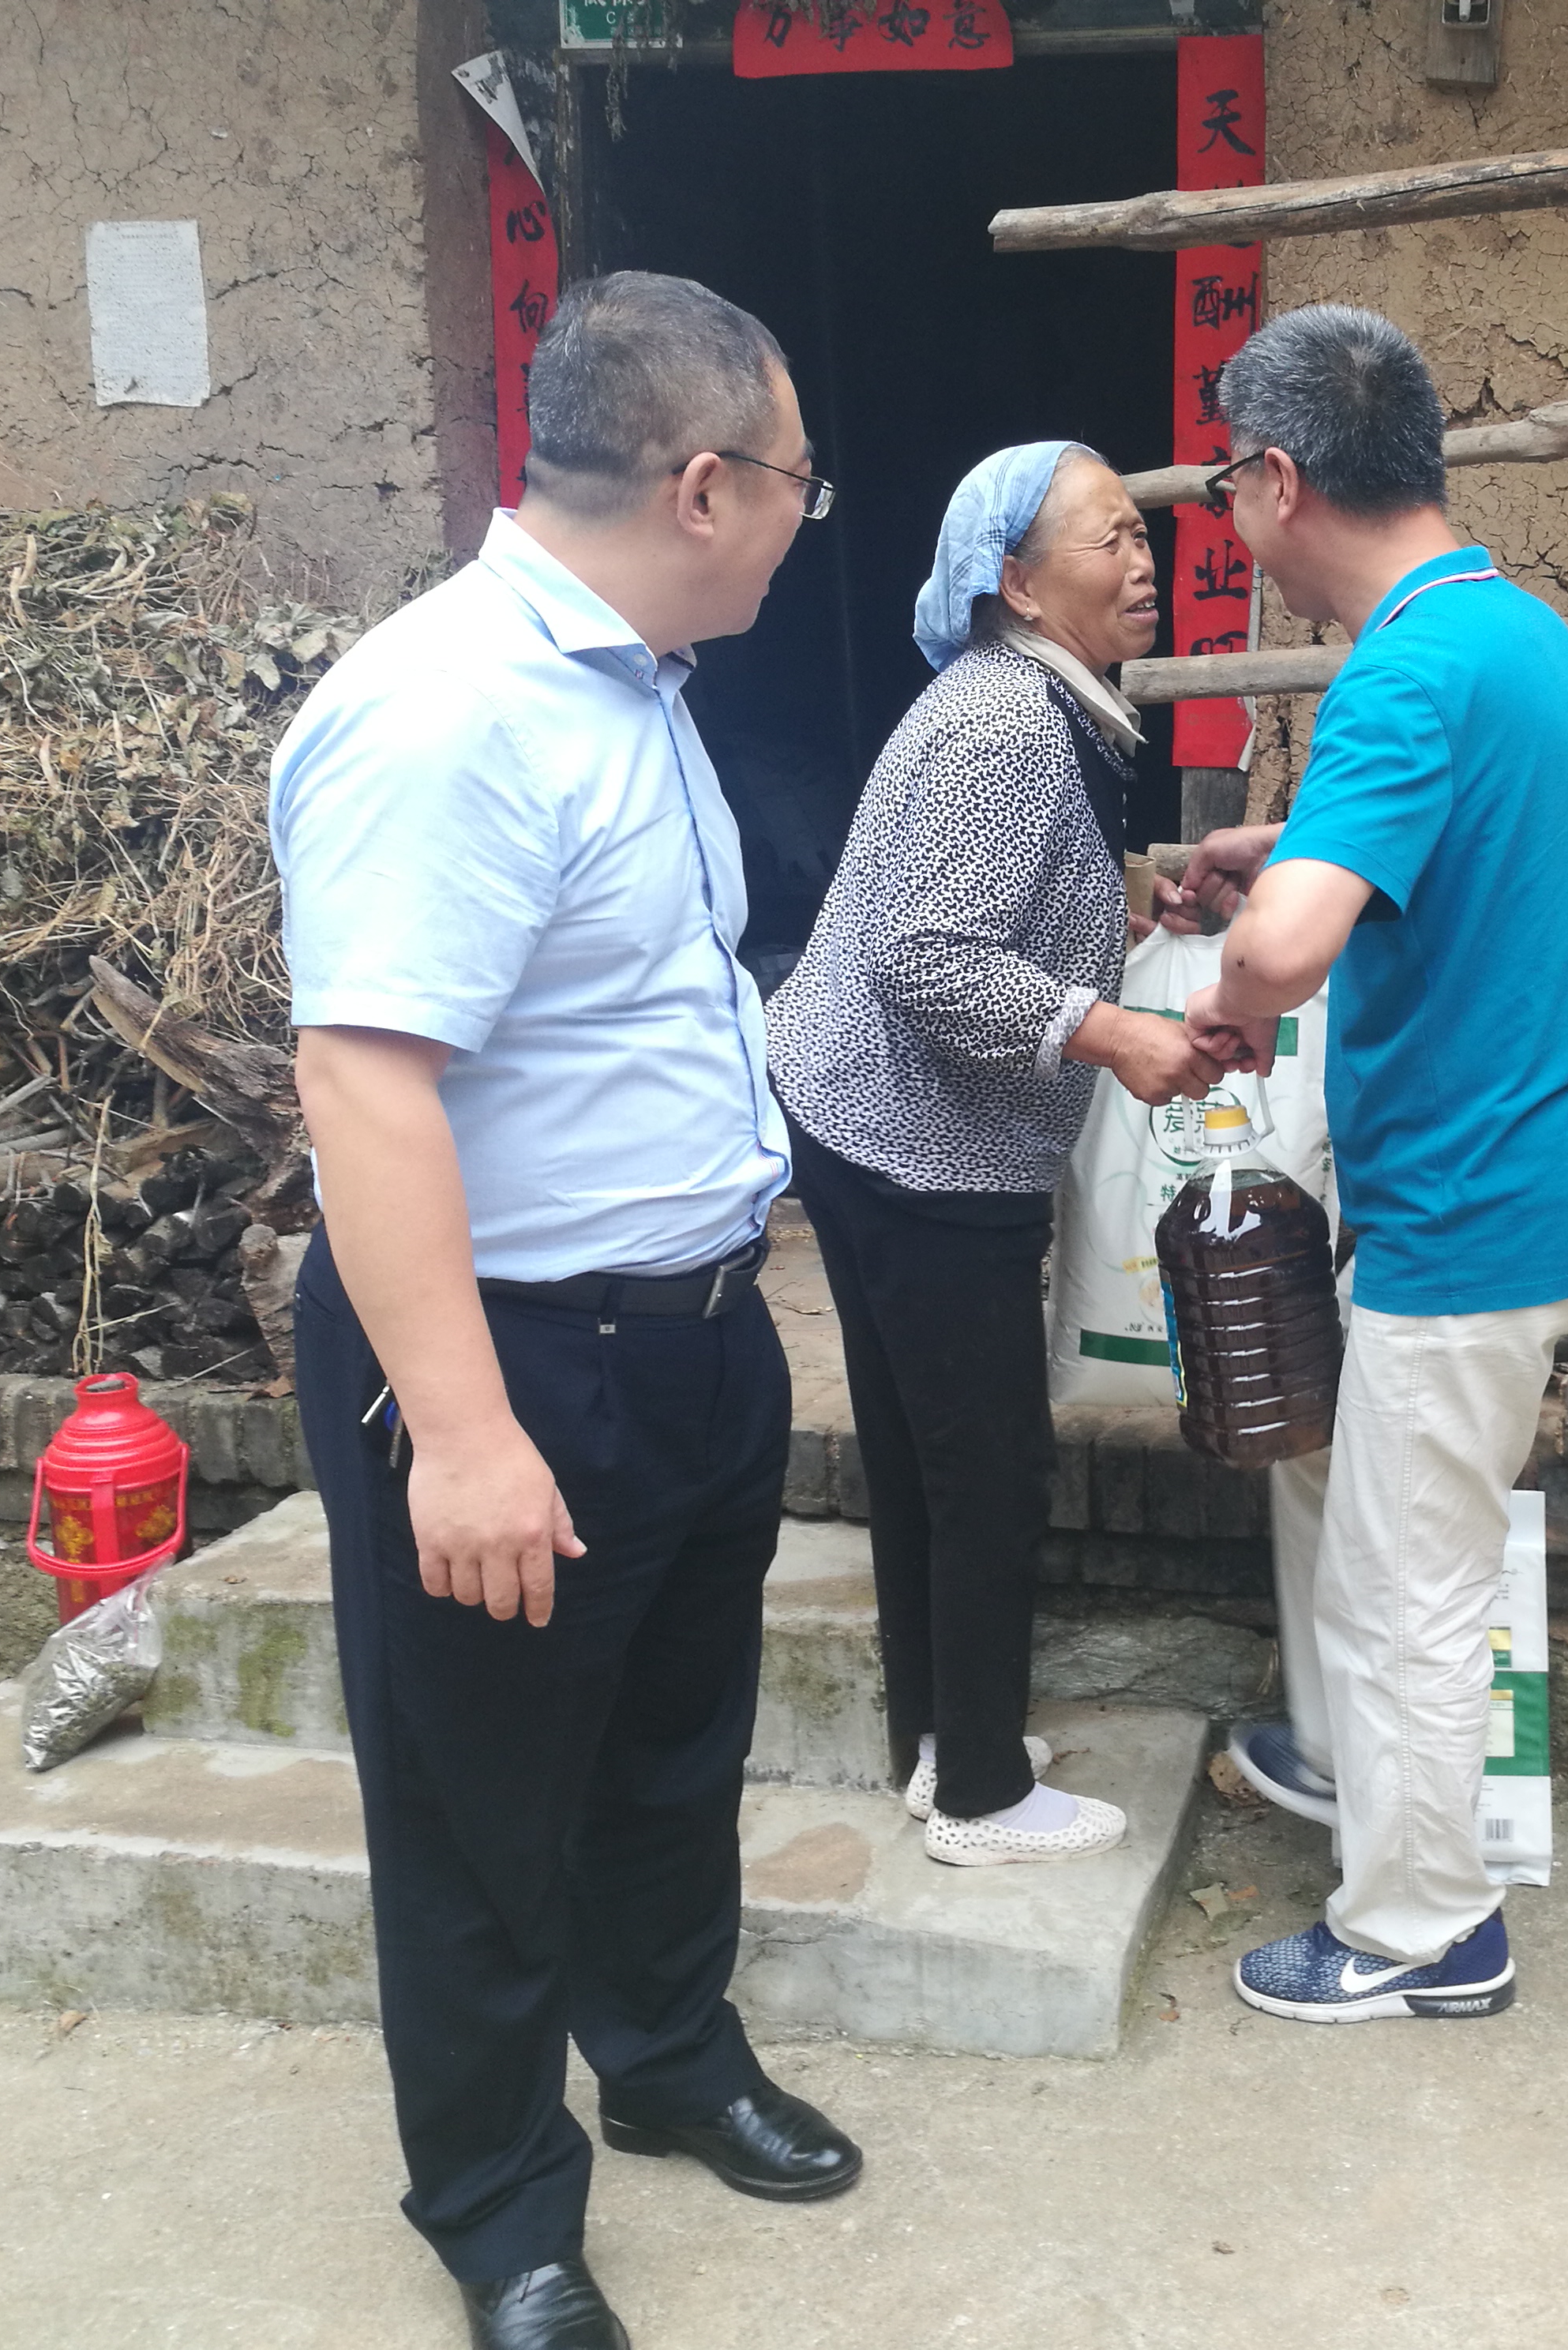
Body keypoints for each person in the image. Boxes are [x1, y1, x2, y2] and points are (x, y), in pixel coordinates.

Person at [272, 272, 862, 2350]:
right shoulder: (450, 712)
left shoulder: (632, 694)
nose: (805, 520)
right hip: (512, 1359)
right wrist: (460, 1432)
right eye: (798, 482)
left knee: (670, 1752)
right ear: (704, 487)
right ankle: (502, 2207)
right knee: (481, 1808)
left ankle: (672, 2059)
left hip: (688, 1334)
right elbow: (364, 1080)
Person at [1169, 304, 1568, 2024]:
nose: (1229, 520)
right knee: (1362, 1505)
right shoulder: (1504, 629)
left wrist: (1231, 1005)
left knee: (1409, 1580)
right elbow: (1435, 851)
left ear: (1279, 478)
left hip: (1477, 1199)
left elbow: (1285, 949)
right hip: (1551, 1166)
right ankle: (1358, 1770)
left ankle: (1422, 1933)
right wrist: (1292, 839)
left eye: (1225, 488)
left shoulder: (1397, 670)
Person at [766, 442, 1224, 1865]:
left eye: (1141, 534)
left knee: (922, 1456)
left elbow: (984, 902)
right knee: (990, 1468)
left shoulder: (1024, 700)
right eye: (1110, 539)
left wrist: (1112, 914)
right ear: (1016, 584)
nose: (1142, 561)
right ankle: (978, 1796)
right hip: (921, 1148)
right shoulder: (1006, 726)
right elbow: (926, 954)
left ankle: (940, 1738)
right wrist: (1110, 1030)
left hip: (865, 1122)